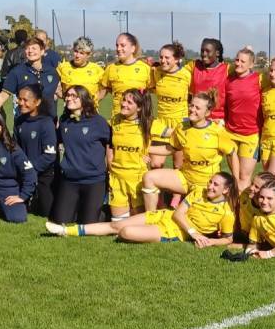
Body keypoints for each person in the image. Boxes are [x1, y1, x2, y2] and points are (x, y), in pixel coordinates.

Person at [46, 172, 237, 247]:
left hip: (171, 232)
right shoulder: (198, 192)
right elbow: (178, 213)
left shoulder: (226, 213)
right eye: (210, 182)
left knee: (126, 231)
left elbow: (228, 238)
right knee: (116, 225)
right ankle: (65, 230)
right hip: (164, 216)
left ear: (226, 190)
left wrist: (210, 242)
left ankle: (125, 234)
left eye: (216, 185)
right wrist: (194, 233)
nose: (210, 187)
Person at [144, 89, 239, 209]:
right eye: (191, 105)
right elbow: (170, 148)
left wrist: (235, 181)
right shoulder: (182, 127)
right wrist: (144, 148)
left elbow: (232, 154)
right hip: (184, 178)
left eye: (198, 108)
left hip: (206, 184)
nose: (192, 110)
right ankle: (151, 218)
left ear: (208, 112)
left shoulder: (217, 131)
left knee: (192, 218)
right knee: (149, 177)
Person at [50, 86, 112, 224]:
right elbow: (57, 140)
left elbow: (111, 144)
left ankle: (104, 211)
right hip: (70, 180)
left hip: (93, 180)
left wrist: (110, 167)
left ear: (84, 99)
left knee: (89, 223)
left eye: (74, 96)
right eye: (67, 95)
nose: (68, 98)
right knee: (60, 220)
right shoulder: (65, 120)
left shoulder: (99, 122)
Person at [108, 89, 154, 219]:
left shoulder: (148, 124)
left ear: (139, 108)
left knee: (137, 223)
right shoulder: (114, 120)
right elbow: (107, 142)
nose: (124, 104)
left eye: (129, 102)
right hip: (116, 178)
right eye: (123, 100)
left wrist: (149, 151)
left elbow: (175, 139)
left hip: (137, 179)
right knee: (118, 225)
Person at [14, 85, 58, 217]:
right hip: (23, 173)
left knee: (46, 212)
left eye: (25, 100)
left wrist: (30, 167)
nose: (21, 103)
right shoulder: (19, 121)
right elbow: (15, 148)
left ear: (37, 102)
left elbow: (49, 156)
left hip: (44, 174)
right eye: (19, 99)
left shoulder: (46, 123)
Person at [0, 37, 60, 117]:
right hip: (25, 122)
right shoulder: (17, 71)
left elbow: (60, 92)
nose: (30, 51)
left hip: (48, 121)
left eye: (34, 48)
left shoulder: (52, 72)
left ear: (42, 51)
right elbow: (3, 95)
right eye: (27, 48)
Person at [225, 47, 263, 191]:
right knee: (234, 176)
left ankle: (242, 210)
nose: (238, 64)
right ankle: (235, 206)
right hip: (230, 134)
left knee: (244, 176)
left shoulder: (259, 79)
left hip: (250, 135)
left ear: (251, 65)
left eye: (243, 61)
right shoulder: (228, 80)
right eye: (237, 60)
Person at [149, 41, 191, 169]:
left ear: (177, 59)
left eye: (167, 57)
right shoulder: (156, 73)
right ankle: (158, 188)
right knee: (155, 164)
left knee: (179, 166)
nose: (163, 60)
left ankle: (173, 189)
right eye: (161, 57)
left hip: (180, 124)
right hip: (161, 123)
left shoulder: (186, 75)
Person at [97, 33, 154, 116]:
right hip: (117, 119)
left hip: (139, 120)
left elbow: (153, 91)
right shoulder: (110, 68)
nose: (118, 49)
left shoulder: (145, 68)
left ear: (133, 48)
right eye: (117, 45)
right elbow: (103, 91)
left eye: (122, 45)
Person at [186, 38, 228, 122]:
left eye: (208, 51)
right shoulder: (194, 66)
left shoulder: (227, 69)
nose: (204, 54)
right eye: (202, 51)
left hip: (218, 120)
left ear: (217, 53)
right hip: (197, 117)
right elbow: (178, 72)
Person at [234, 171, 275, 243]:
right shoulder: (245, 194)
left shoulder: (270, 208)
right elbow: (238, 211)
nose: (251, 188)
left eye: (256, 187)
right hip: (243, 233)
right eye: (252, 183)